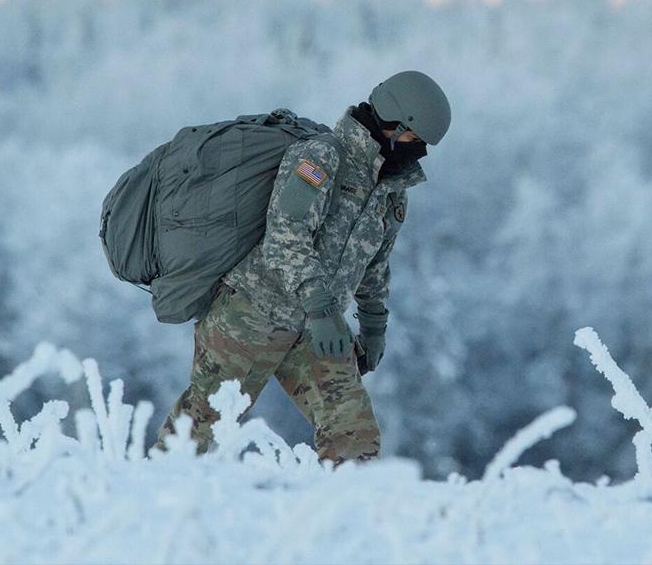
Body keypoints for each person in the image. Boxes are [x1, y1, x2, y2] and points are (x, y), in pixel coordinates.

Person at [156, 70, 451, 463]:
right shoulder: (321, 158)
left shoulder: (389, 191)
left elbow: (375, 264)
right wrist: (320, 307)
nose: (419, 151)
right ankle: (150, 496)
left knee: (354, 432)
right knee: (203, 421)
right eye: (415, 139)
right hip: (253, 314)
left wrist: (374, 325)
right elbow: (285, 235)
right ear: (392, 123)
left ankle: (344, 515)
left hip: (316, 328)